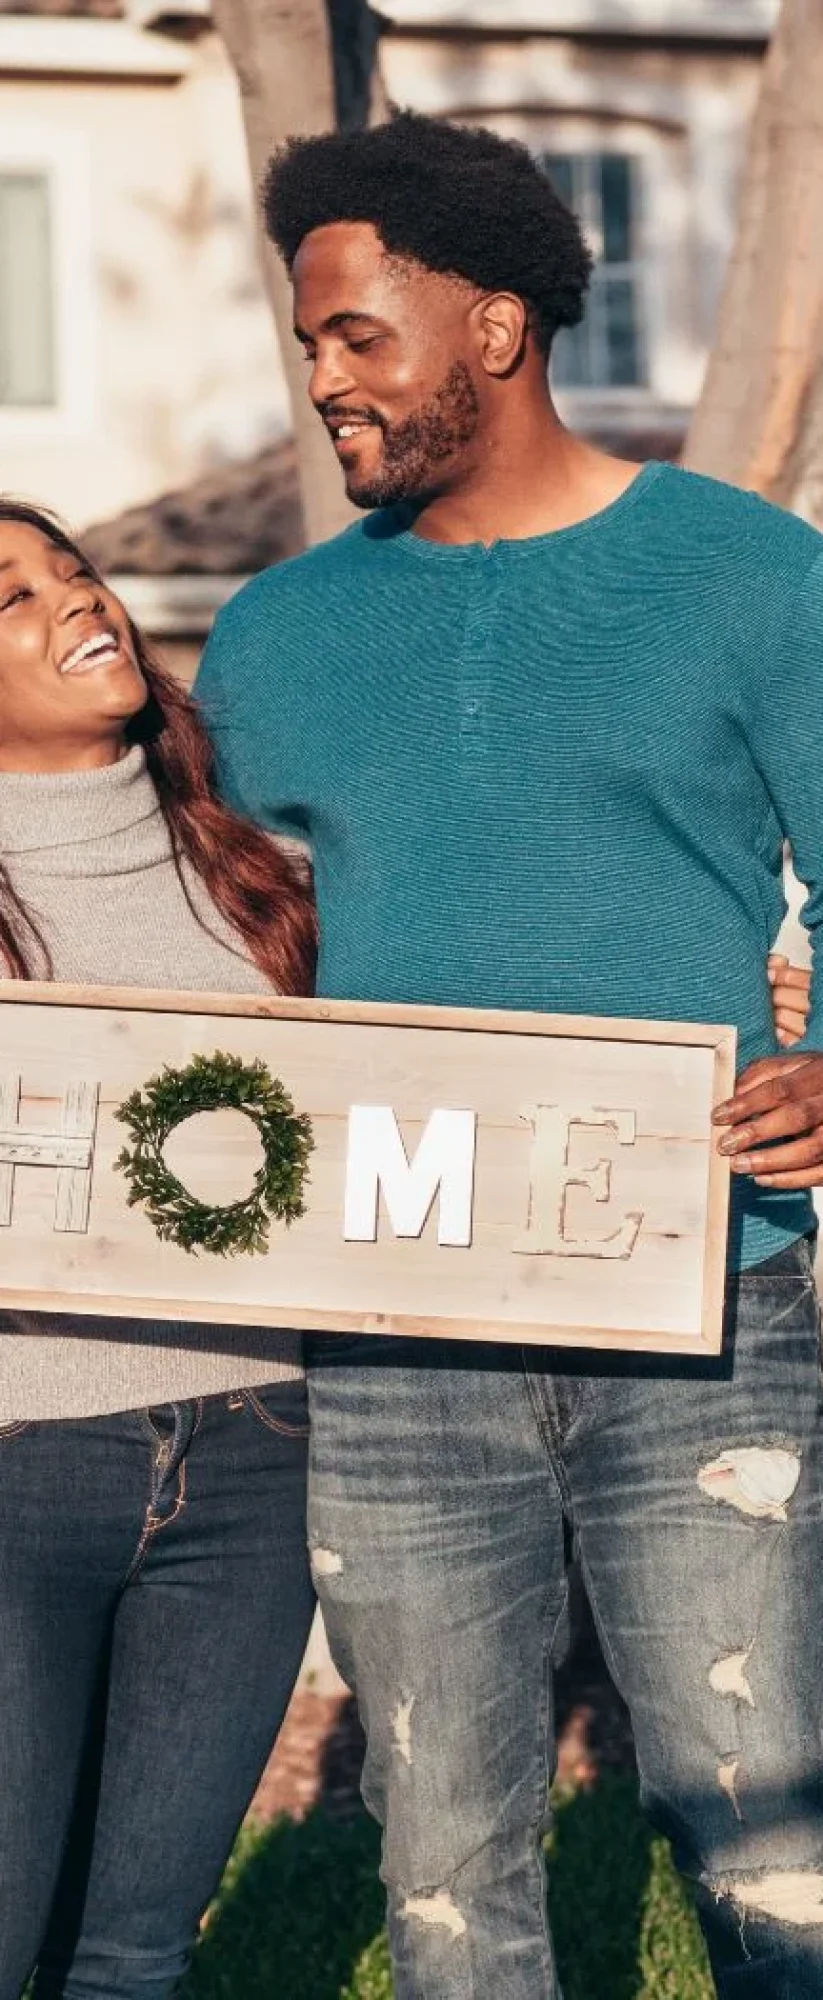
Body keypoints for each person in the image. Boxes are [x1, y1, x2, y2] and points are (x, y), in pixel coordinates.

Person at [195, 113, 823, 1999]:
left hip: (713, 1309)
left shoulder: (751, 574)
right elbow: (217, 937)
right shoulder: (272, 637)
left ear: (490, 330)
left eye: (356, 335)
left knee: (768, 1841)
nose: (321, 379)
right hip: (395, 1345)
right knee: (447, 1866)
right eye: (304, 343)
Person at [0, 501, 317, 2000]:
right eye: (7, 595)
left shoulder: (262, 879)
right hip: (17, 1458)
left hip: (258, 1456)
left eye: (68, 568)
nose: (75, 598)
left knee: (136, 1951)